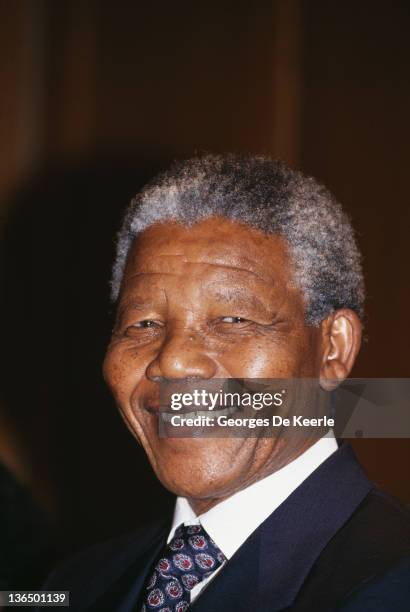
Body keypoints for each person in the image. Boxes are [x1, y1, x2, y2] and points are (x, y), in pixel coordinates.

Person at [41, 155, 410, 611]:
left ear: (332, 349)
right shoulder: (74, 585)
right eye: (143, 323)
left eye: (233, 319)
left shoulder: (391, 585)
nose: (173, 362)